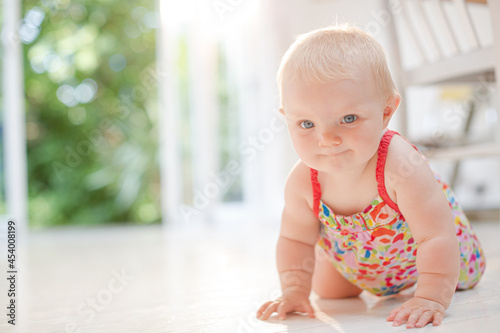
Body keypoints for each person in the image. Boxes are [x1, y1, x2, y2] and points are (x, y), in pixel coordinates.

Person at [256, 24, 485, 329]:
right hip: (364, 262)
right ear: (287, 118)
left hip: (433, 254)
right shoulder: (302, 183)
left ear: (386, 110)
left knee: (454, 274)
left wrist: (431, 296)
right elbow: (294, 239)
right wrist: (295, 290)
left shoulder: (400, 165)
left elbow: (435, 236)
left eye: (348, 119)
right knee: (329, 292)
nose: (327, 139)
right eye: (307, 124)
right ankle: (356, 275)